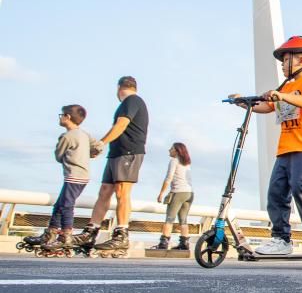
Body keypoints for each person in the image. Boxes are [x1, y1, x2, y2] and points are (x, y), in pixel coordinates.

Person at [233, 36, 302, 269]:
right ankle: (281, 239)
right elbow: (267, 107)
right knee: (276, 193)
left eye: (286, 60)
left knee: (301, 187)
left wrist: (282, 96)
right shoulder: (285, 86)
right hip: (285, 148)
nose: (282, 64)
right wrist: (244, 102)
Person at [75, 76, 149, 254]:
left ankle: (121, 234)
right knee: (105, 191)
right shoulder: (127, 103)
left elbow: (122, 124)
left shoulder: (133, 100)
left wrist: (102, 143)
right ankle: (91, 231)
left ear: (119, 88)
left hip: (129, 152)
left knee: (122, 192)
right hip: (116, 153)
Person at [25, 105, 100, 254]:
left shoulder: (67, 136)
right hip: (83, 175)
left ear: (68, 117)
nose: (60, 118)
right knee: (60, 204)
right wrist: (91, 153)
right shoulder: (84, 134)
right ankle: (51, 233)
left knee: (66, 205)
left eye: (61, 115)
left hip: (74, 175)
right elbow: (98, 146)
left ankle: (66, 235)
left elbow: (59, 156)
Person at [150, 142, 194, 252]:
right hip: (189, 193)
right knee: (183, 219)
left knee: (169, 218)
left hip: (178, 193)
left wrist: (161, 193)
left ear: (177, 151)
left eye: (171, 148)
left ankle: (163, 243)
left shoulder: (174, 161)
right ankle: (184, 244)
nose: (169, 150)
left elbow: (168, 178)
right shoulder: (186, 163)